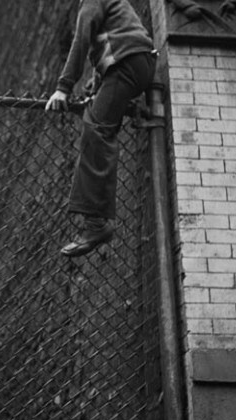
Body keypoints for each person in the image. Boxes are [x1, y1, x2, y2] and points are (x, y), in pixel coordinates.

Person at [46, 0, 156, 257]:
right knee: (102, 126)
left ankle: (96, 224)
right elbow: (110, 41)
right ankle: (97, 220)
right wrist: (96, 84)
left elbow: (81, 39)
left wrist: (63, 87)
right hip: (138, 64)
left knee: (96, 129)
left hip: (126, 65)